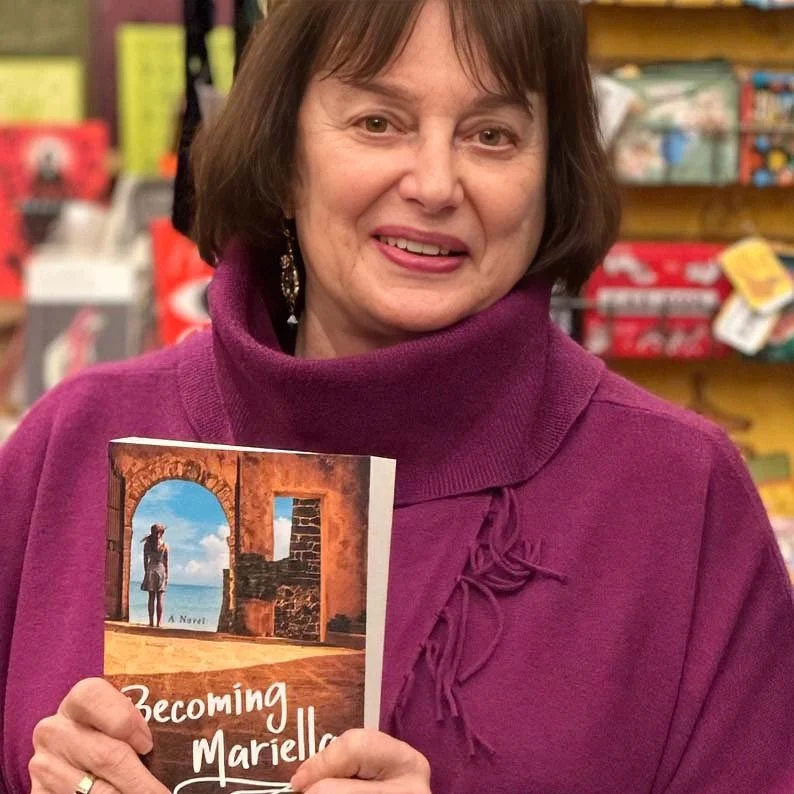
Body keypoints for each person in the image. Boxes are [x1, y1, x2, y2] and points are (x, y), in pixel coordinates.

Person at [1, 1, 792, 793]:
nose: (435, 184)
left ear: (551, 175)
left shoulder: (678, 495)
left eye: (492, 135)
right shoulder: (71, 443)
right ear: (283, 155)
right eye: (378, 122)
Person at [140, 524, 168, 628]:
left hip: (151, 569)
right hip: (160, 570)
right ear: (161, 532)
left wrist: (146, 571)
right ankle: (158, 623)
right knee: (159, 597)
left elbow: (145, 560)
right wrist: (167, 575)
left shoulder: (147, 544)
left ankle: (152, 622)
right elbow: (166, 562)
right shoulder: (164, 545)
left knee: (152, 597)